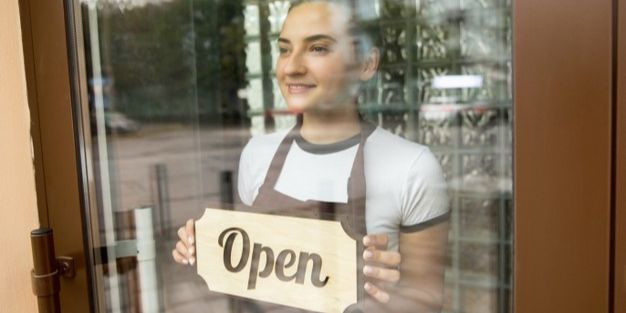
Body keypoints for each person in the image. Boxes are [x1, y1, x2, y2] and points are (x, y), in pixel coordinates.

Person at [173, 1, 450, 312]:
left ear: (366, 63)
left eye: (317, 48)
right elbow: (249, 271)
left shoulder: (412, 167)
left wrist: (393, 293)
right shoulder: (257, 156)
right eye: (285, 49)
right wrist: (205, 250)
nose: (292, 67)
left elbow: (427, 301)